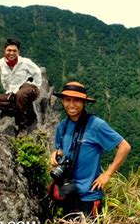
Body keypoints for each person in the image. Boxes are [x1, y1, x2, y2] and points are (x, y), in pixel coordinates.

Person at [50, 81, 131, 216]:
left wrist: (108, 174)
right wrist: (55, 154)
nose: (71, 104)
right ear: (63, 102)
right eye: (67, 100)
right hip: (68, 191)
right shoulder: (62, 126)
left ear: (84, 103)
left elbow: (125, 147)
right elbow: (62, 150)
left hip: (89, 196)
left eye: (76, 100)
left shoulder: (96, 125)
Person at [0, 39, 42, 130]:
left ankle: (22, 125)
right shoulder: (1, 63)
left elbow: (37, 72)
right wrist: (8, 91)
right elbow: (4, 80)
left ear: (18, 52)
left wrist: (36, 86)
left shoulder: (25, 62)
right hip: (13, 92)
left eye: (14, 51)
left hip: (27, 87)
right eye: (9, 50)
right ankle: (22, 109)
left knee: (21, 94)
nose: (12, 53)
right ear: (4, 50)